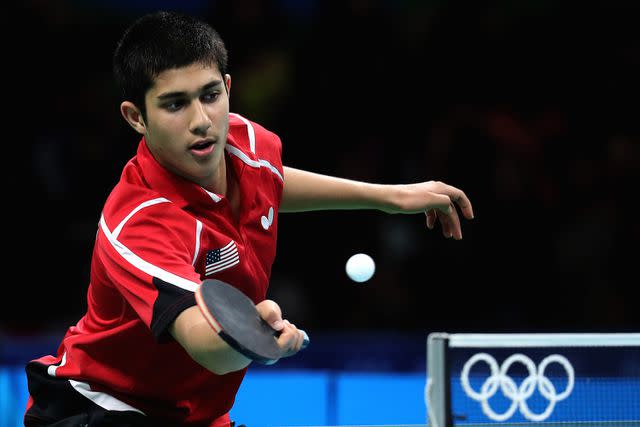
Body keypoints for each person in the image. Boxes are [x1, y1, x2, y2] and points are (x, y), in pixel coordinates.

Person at [24, 10, 474, 427]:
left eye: (210, 95)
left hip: (192, 414)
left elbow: (270, 183)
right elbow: (208, 348)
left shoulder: (245, 142)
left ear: (228, 87)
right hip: (102, 405)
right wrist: (259, 337)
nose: (202, 121)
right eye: (175, 104)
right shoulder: (141, 220)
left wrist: (388, 197)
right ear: (136, 117)